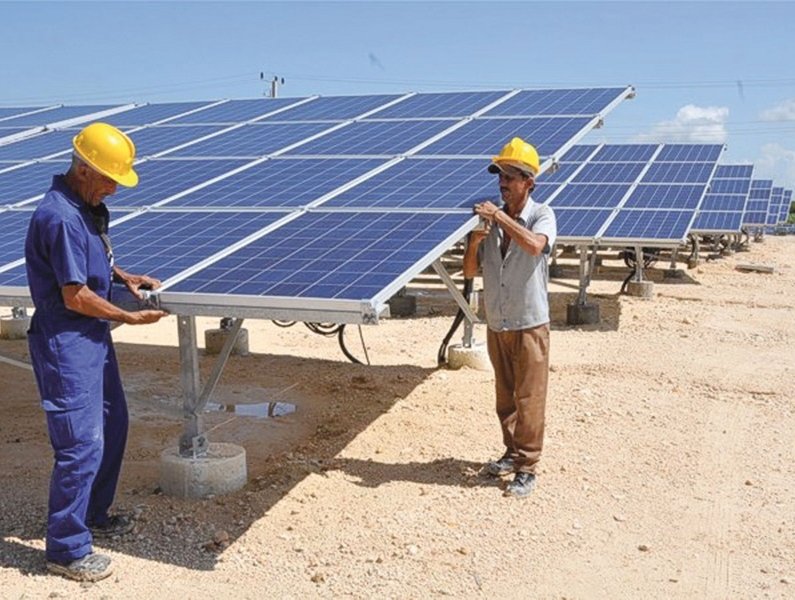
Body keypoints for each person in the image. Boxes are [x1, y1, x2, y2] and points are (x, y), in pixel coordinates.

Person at [25, 122, 168, 581]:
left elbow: (91, 264)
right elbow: (74, 295)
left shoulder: (82, 208)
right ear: (84, 169)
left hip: (90, 338)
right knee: (81, 444)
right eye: (109, 179)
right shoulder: (61, 217)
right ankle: (66, 549)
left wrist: (123, 277)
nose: (114, 189)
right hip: (66, 341)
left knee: (113, 424)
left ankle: (94, 515)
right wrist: (128, 316)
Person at [463, 137, 557, 498]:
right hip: (498, 323)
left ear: (528, 182)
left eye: (511, 176)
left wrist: (500, 217)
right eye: (500, 175)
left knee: (530, 398)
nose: (502, 183)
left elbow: (535, 245)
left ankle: (528, 466)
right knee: (505, 398)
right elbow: (471, 271)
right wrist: (476, 240)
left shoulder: (542, 214)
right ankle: (512, 452)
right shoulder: (488, 224)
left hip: (530, 324)